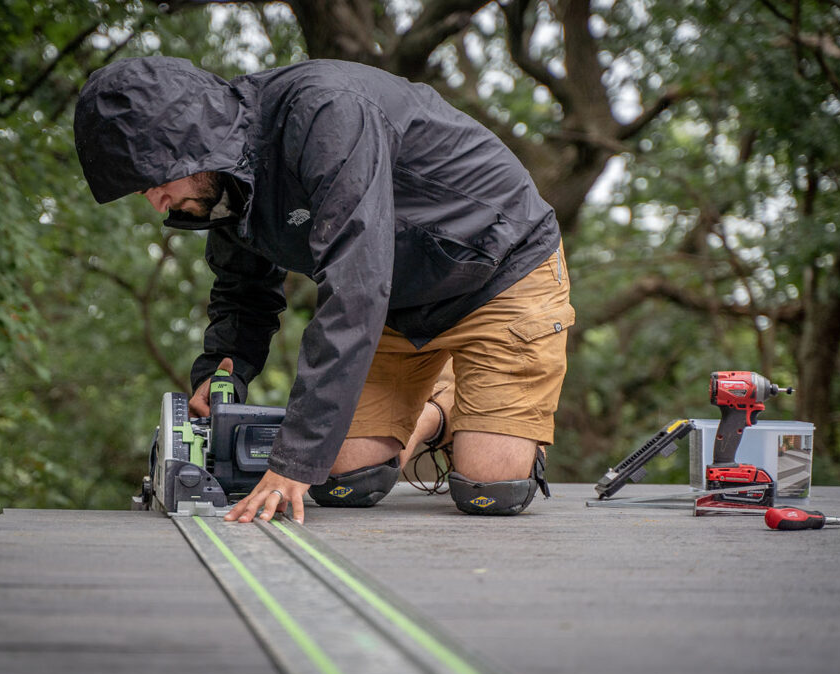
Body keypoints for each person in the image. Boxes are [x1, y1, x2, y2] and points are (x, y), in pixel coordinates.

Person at [74, 56, 574, 523]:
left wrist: (293, 462)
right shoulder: (221, 182)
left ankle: (454, 397)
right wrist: (225, 370)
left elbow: (355, 286)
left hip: (497, 272)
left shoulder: (327, 113)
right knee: (342, 482)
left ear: (194, 139)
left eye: (158, 179)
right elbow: (243, 289)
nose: (157, 201)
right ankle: (436, 413)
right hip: (396, 306)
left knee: (489, 491)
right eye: (144, 190)